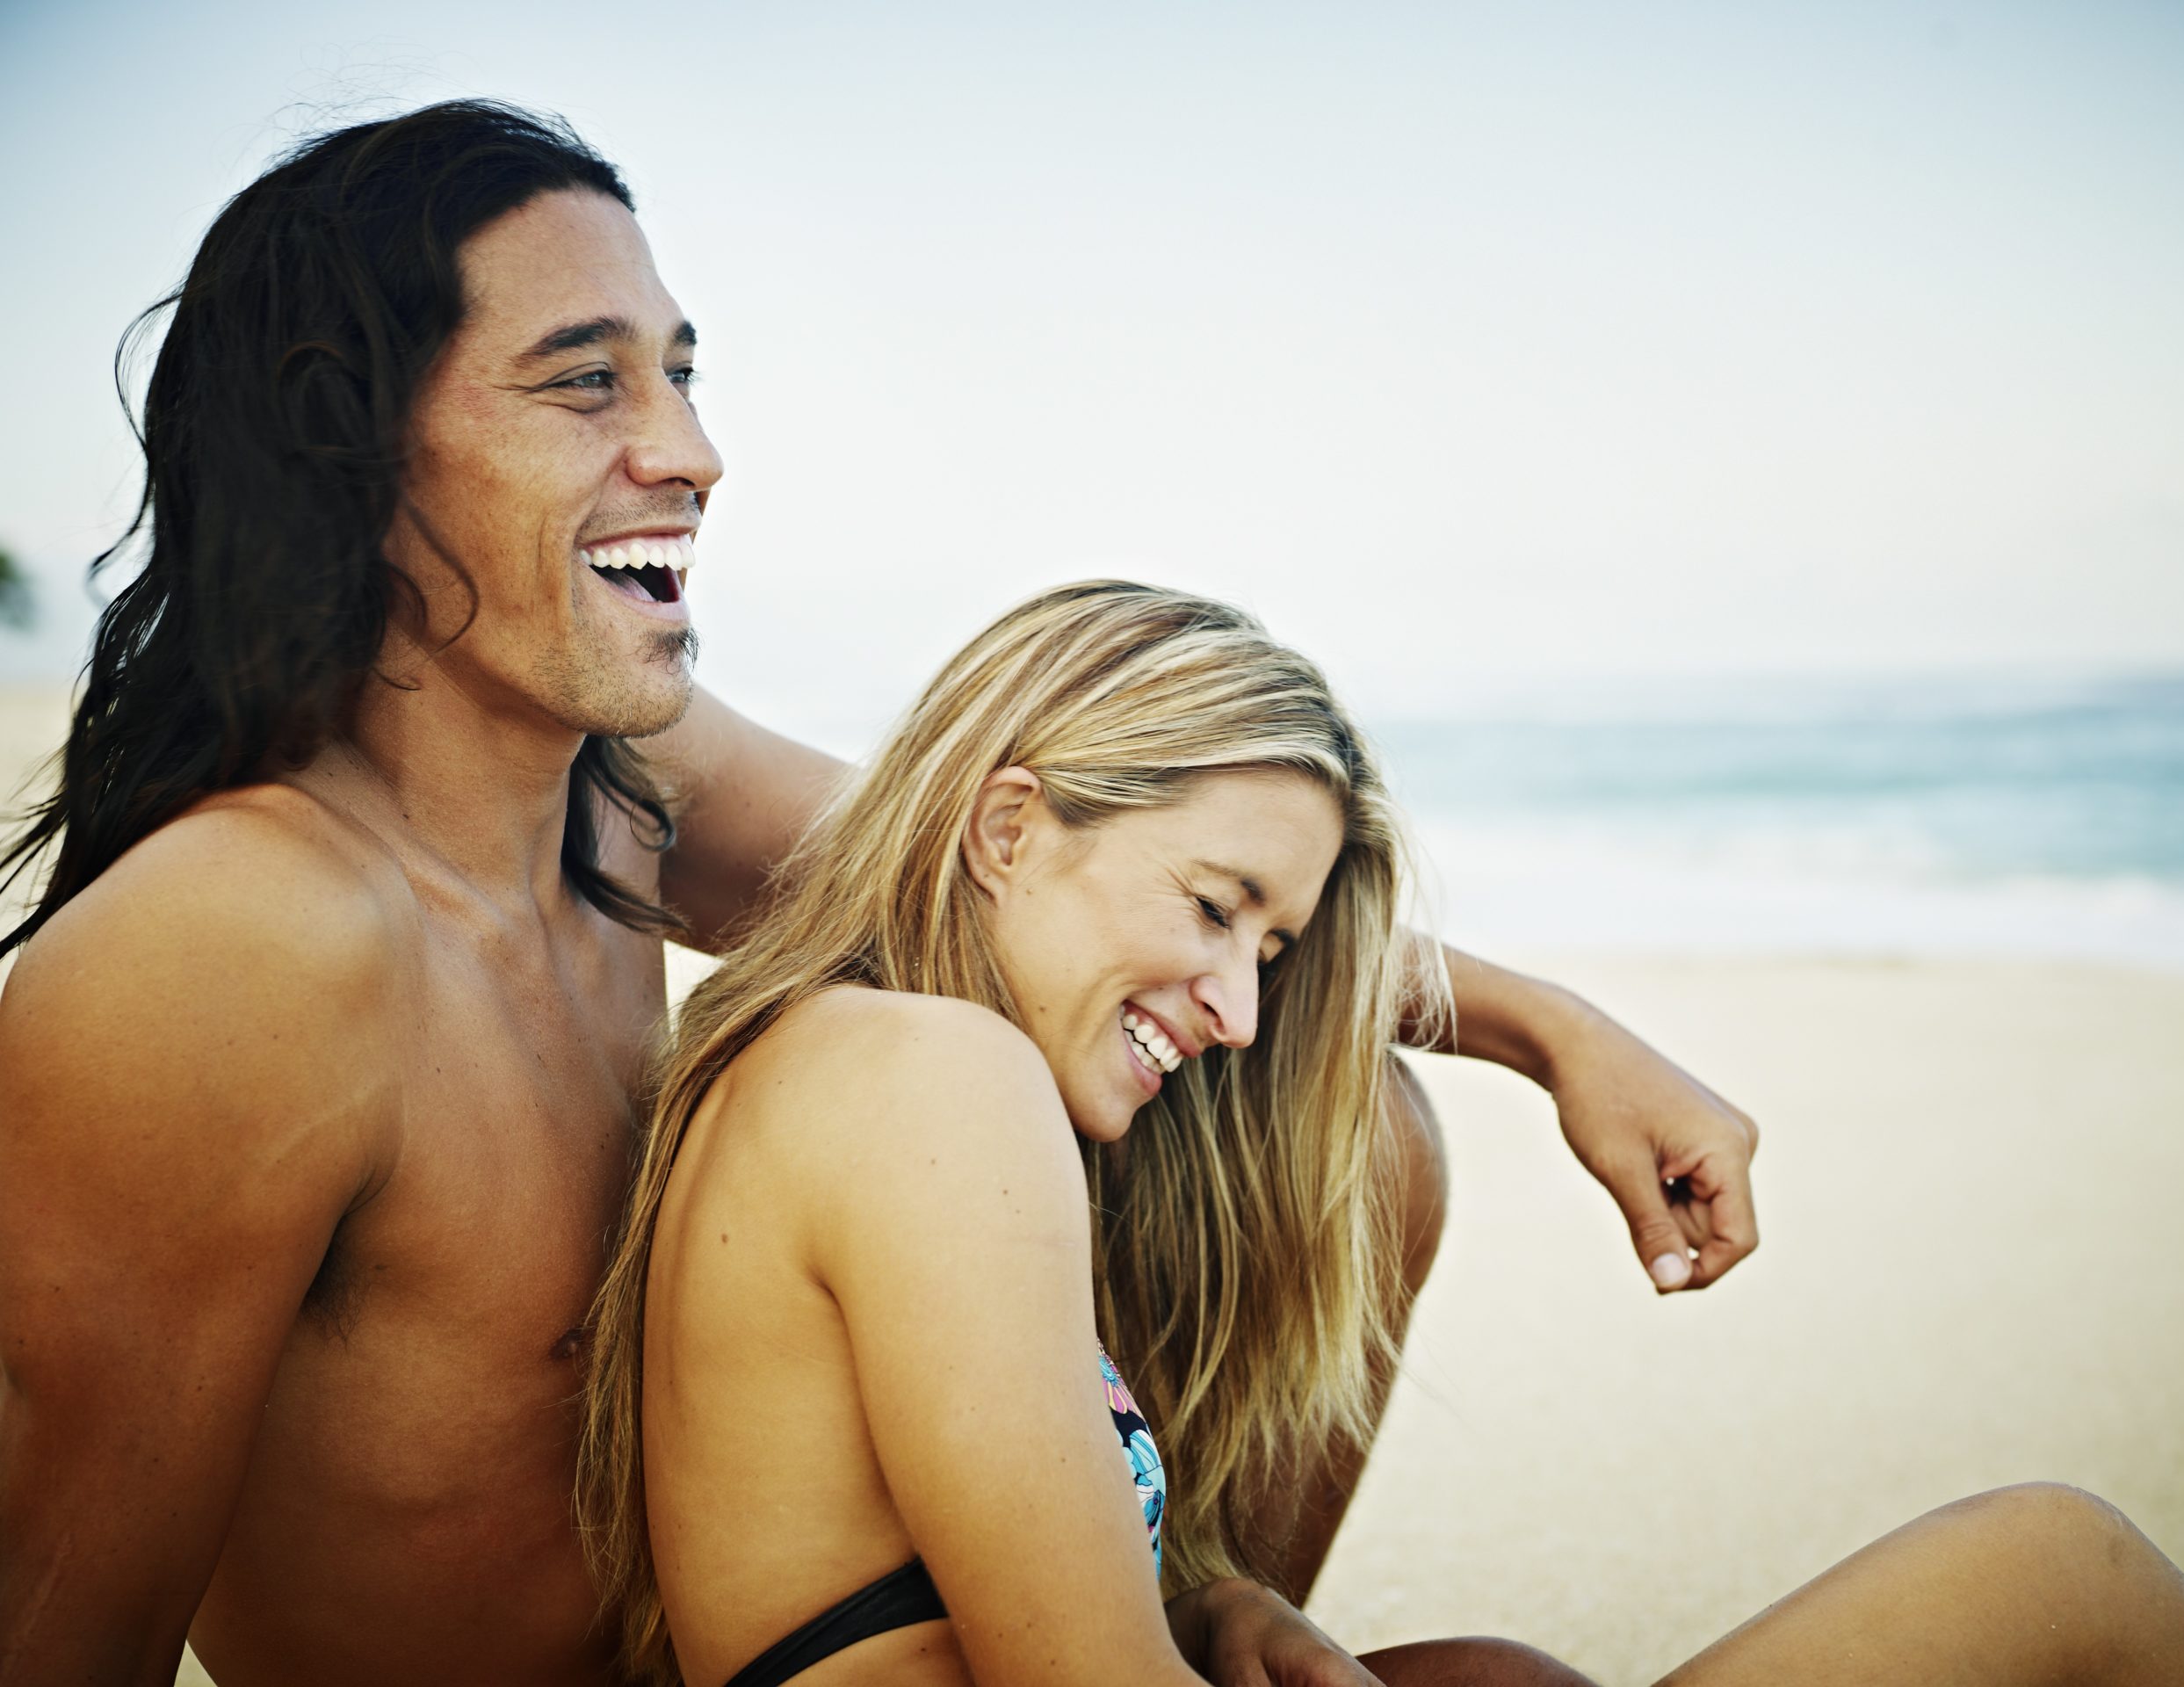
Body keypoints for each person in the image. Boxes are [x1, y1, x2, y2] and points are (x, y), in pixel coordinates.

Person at [0, 102, 1760, 1684]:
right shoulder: (231, 947)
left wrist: (1551, 1036)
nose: (689, 451)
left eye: (683, 374)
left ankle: (1148, 1600)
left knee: (1353, 1134)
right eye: (586, 380)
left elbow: (1097, 895)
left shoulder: (614, 793)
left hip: (817, 1627)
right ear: (354, 458)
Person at [580, 581, 2184, 1687]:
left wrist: (1213, 1604)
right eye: (1217, 905)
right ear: (1008, 827)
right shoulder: (928, 1081)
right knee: (2061, 1573)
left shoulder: (868, 1078)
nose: (1241, 1006)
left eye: (1278, 951)